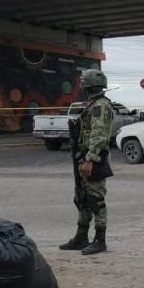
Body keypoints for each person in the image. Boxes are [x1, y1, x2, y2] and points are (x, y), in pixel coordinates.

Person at [59, 69, 114, 255]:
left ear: (89, 83)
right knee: (82, 199)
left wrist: (90, 159)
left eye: (83, 81)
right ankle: (81, 237)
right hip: (84, 157)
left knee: (95, 199)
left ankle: (100, 240)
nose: (80, 83)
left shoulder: (100, 105)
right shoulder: (91, 104)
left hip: (94, 159)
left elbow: (99, 135)